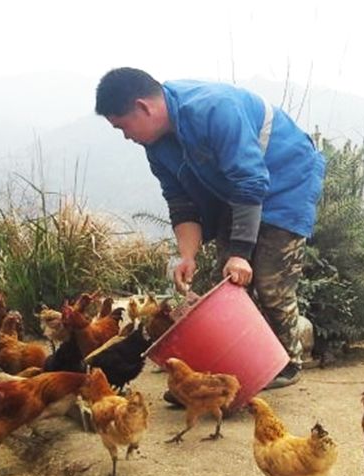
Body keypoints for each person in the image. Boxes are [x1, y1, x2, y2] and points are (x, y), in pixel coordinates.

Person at [96, 67, 325, 389]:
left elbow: (249, 179)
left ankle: (287, 362)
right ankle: (239, 363)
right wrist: (187, 256)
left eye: (123, 126)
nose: (125, 136)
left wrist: (241, 253)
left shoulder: (214, 109)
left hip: (286, 183)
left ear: (143, 107)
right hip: (235, 193)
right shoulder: (157, 145)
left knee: (272, 282)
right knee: (227, 283)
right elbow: (181, 202)